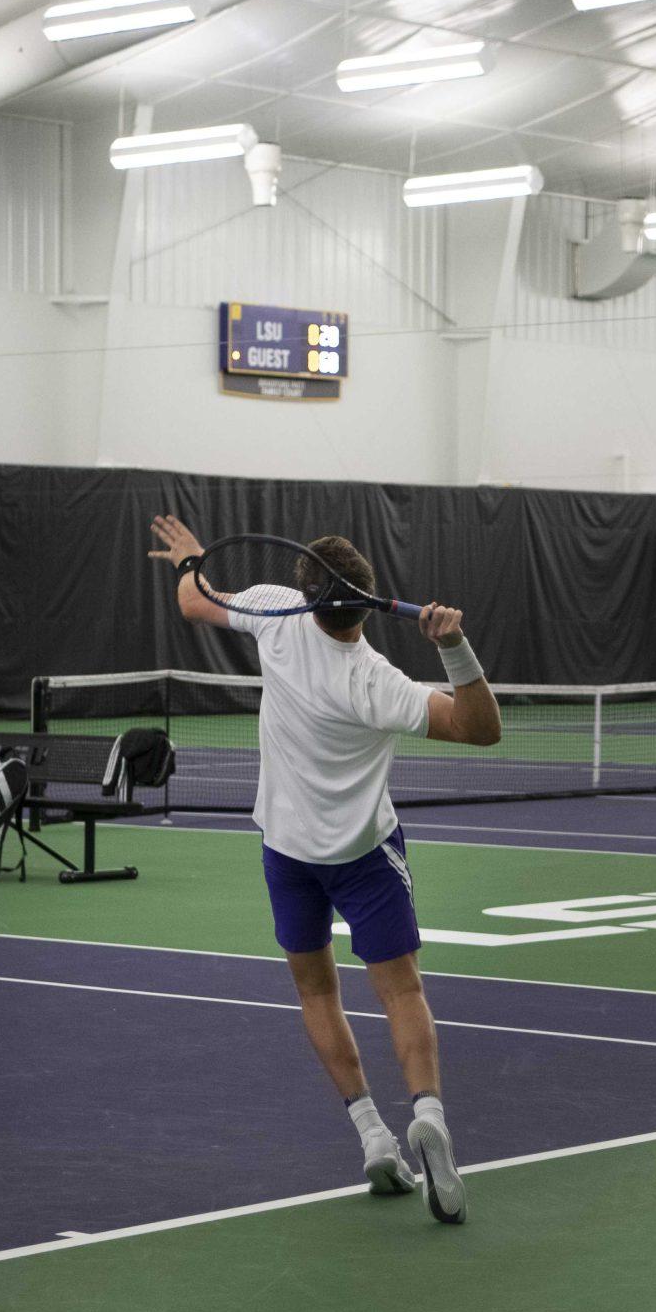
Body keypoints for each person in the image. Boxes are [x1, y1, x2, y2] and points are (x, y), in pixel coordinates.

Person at [147, 514, 500, 1225]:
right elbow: (482, 728)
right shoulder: (378, 682)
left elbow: (195, 601)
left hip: (287, 851)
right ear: (364, 602)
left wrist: (189, 560)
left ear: (308, 596)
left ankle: (372, 1132)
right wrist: (455, 648)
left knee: (317, 993)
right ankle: (427, 1113)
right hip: (365, 855)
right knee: (401, 992)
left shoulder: (276, 611)